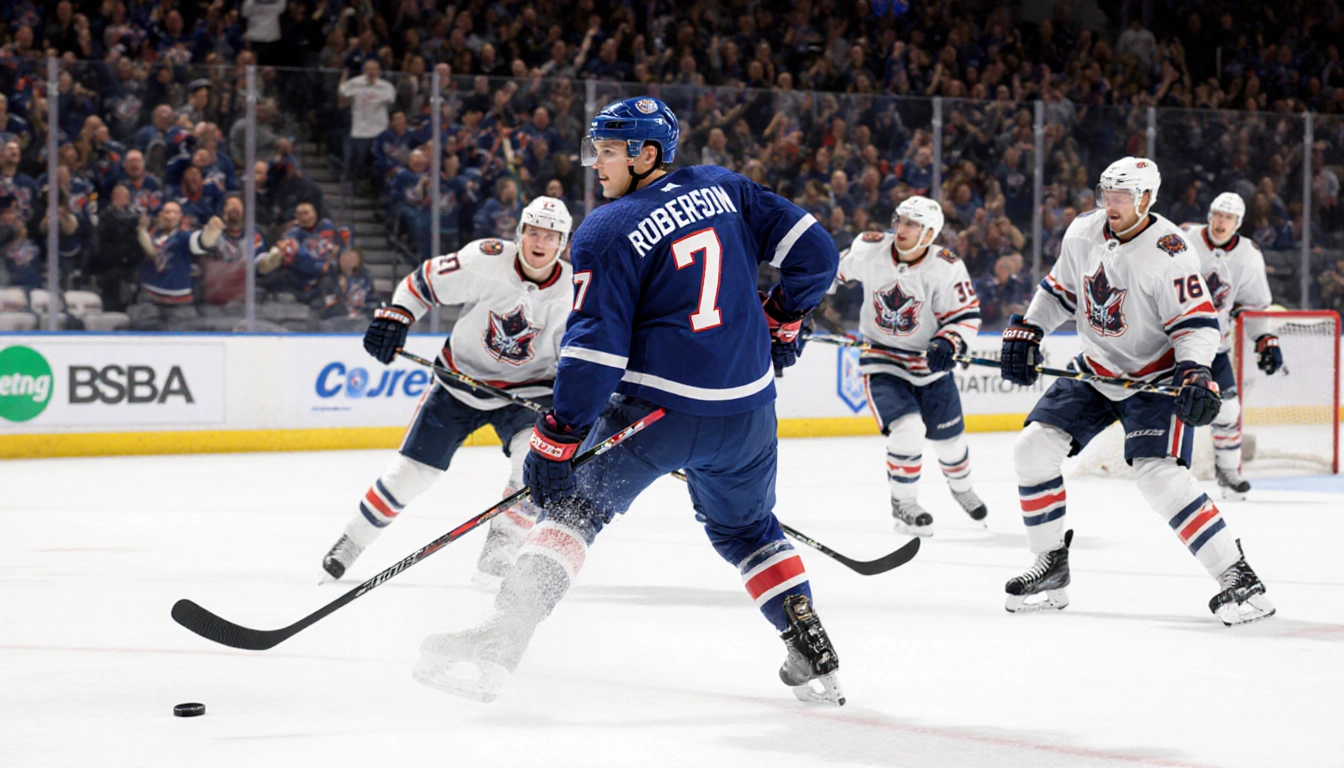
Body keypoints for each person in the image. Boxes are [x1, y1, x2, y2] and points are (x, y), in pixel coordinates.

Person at [412, 97, 843, 706]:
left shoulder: (608, 228)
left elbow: (595, 349)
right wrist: (785, 316)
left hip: (656, 415)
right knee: (749, 530)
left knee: (573, 511)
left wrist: (560, 435)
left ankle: (501, 639)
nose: (597, 164)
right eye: (596, 150)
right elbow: (818, 254)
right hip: (748, 413)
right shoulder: (726, 187)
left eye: (609, 151)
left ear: (647, 154)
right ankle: (808, 642)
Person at [999, 157, 1275, 626]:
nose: (1111, 203)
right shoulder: (1083, 232)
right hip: (1096, 368)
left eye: (1122, 196)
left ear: (1146, 198)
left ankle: (1237, 575)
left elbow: (1196, 323)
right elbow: (1060, 291)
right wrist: (1031, 327)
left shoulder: (1170, 251)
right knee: (1032, 449)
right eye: (1106, 193)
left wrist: (1195, 371)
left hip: (1155, 379)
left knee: (1157, 476)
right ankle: (1050, 564)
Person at [321, 197, 574, 590]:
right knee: (409, 475)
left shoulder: (573, 290)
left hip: (528, 392)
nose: (540, 242)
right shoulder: (486, 259)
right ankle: (352, 541)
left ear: (563, 243)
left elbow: (577, 352)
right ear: (519, 233)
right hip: (459, 382)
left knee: (531, 464)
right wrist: (399, 314)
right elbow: (425, 281)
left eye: (550, 235)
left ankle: (502, 548)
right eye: (533, 232)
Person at [832, 196, 987, 536]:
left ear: (929, 233)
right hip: (883, 361)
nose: (900, 228)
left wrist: (949, 341)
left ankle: (962, 489)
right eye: (899, 220)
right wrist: (804, 305)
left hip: (929, 367)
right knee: (908, 430)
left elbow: (965, 316)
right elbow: (830, 272)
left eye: (911, 224)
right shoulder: (869, 249)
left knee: (950, 442)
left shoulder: (946, 266)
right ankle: (903, 502)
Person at [1181, 193, 1280, 499]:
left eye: (1228, 217)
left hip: (1215, 347)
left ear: (1238, 223)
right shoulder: (1186, 240)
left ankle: (1228, 473)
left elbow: (1255, 304)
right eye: (1217, 215)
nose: (1221, 222)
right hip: (1176, 345)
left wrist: (1265, 339)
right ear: (1209, 215)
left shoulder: (1248, 254)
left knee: (1229, 408)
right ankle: (1169, 471)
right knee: (1173, 409)